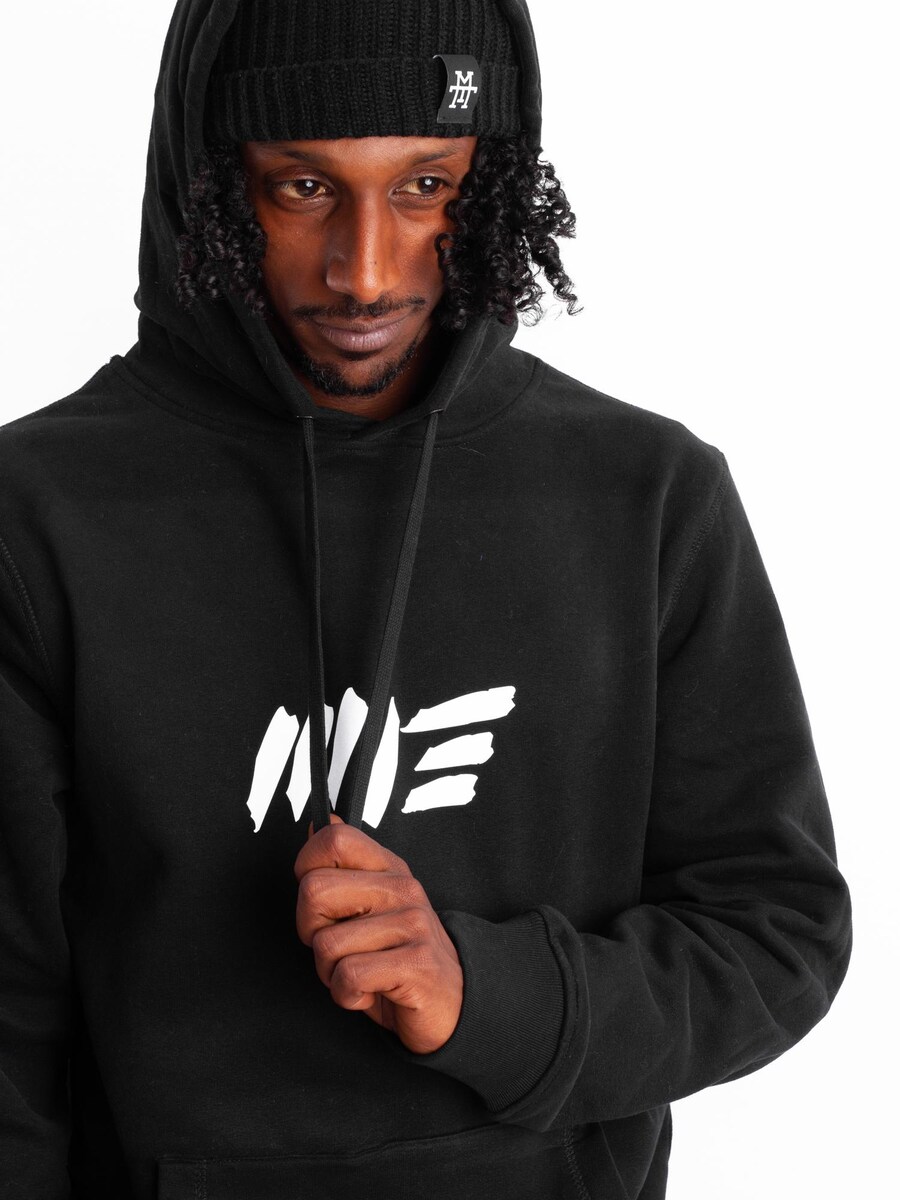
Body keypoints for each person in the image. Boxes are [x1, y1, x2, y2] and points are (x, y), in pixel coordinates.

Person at [0, 0, 851, 1197]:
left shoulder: (647, 495)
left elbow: (776, 932)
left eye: (425, 186)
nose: (364, 271)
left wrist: (484, 997)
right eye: (303, 187)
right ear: (213, 186)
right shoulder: (39, 514)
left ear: (493, 185)